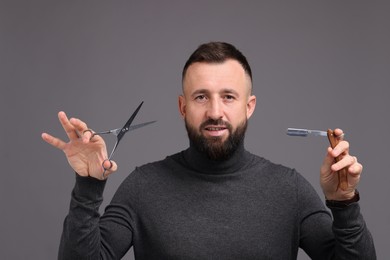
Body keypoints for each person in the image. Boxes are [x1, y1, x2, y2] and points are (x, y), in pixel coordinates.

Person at [42, 42, 376, 259]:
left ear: (249, 106)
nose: (215, 111)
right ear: (182, 106)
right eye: (201, 96)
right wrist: (87, 186)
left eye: (228, 97)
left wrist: (344, 204)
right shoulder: (143, 187)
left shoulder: (289, 189)